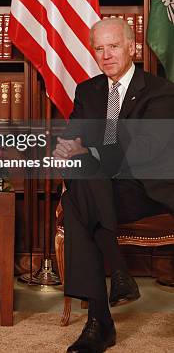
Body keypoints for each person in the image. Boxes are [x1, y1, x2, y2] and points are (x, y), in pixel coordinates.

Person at [54, 17, 174, 353]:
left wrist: (88, 150)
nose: (106, 54)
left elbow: (142, 151)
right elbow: (70, 140)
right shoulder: (88, 91)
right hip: (100, 188)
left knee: (80, 198)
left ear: (132, 47)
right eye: (99, 48)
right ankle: (114, 281)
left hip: (141, 190)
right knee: (84, 180)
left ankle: (100, 322)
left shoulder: (161, 91)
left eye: (114, 46)